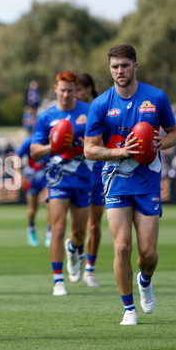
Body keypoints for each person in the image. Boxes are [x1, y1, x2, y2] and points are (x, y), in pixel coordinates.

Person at [84, 43, 176, 325]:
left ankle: (145, 280)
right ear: (109, 69)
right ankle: (128, 308)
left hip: (148, 183)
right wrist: (118, 152)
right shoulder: (101, 104)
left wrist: (165, 141)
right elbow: (89, 149)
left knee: (148, 254)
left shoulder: (156, 97)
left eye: (125, 65)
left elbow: (175, 132)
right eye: (114, 67)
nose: (119, 71)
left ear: (135, 66)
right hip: (115, 184)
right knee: (122, 247)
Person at [30, 70, 92, 297]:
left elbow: (99, 143)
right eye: (62, 90)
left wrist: (90, 147)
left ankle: (74, 249)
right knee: (57, 227)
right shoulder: (46, 117)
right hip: (57, 178)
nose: (66, 95)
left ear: (77, 90)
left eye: (70, 90)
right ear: (55, 90)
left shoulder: (89, 112)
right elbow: (34, 151)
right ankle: (58, 280)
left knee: (79, 233)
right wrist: (52, 147)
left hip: (84, 177)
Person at [75, 73, 103, 287]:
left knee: (95, 225)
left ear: (88, 89)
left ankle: (90, 269)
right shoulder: (69, 112)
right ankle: (75, 250)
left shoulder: (101, 106)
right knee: (79, 226)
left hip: (100, 170)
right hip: (78, 171)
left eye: (79, 89)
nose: (75, 94)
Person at [15, 135, 50, 247]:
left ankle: (50, 232)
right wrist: (18, 174)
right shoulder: (29, 141)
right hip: (32, 177)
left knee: (50, 204)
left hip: (46, 177)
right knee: (33, 208)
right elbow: (17, 157)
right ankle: (31, 229)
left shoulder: (50, 139)